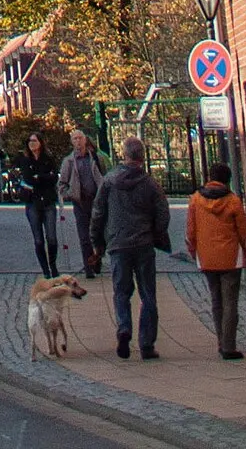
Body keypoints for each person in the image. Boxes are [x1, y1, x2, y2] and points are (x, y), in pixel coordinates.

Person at [92, 134, 170, 360]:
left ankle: (124, 328)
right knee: (148, 294)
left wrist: (97, 242)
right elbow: (163, 213)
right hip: (143, 243)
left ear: (123, 155)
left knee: (121, 292)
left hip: (118, 244)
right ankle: (146, 344)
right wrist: (157, 234)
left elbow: (98, 213)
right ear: (143, 158)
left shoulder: (109, 181)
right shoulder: (150, 183)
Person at [186, 161, 246, 360]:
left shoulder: (196, 199)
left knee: (216, 300)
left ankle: (220, 341)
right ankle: (229, 346)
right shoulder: (233, 201)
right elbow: (243, 231)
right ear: (227, 180)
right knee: (230, 301)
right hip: (230, 257)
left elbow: (190, 231)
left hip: (207, 257)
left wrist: (194, 251)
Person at [15, 129, 60, 274]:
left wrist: (39, 177)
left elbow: (53, 178)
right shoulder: (25, 160)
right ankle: (45, 269)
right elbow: (28, 178)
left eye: (34, 141)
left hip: (47, 201)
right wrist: (42, 177)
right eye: (30, 141)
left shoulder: (48, 159)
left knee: (51, 238)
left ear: (40, 143)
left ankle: (53, 265)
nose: (32, 144)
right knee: (39, 239)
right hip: (33, 202)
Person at [59, 130, 103, 279]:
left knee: (98, 234)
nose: (78, 141)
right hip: (80, 202)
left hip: (96, 201)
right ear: (72, 142)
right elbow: (62, 184)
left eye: (80, 138)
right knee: (84, 237)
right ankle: (88, 267)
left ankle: (97, 260)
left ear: (85, 140)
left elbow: (104, 176)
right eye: (75, 139)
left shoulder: (95, 158)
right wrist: (70, 194)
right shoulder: (69, 162)